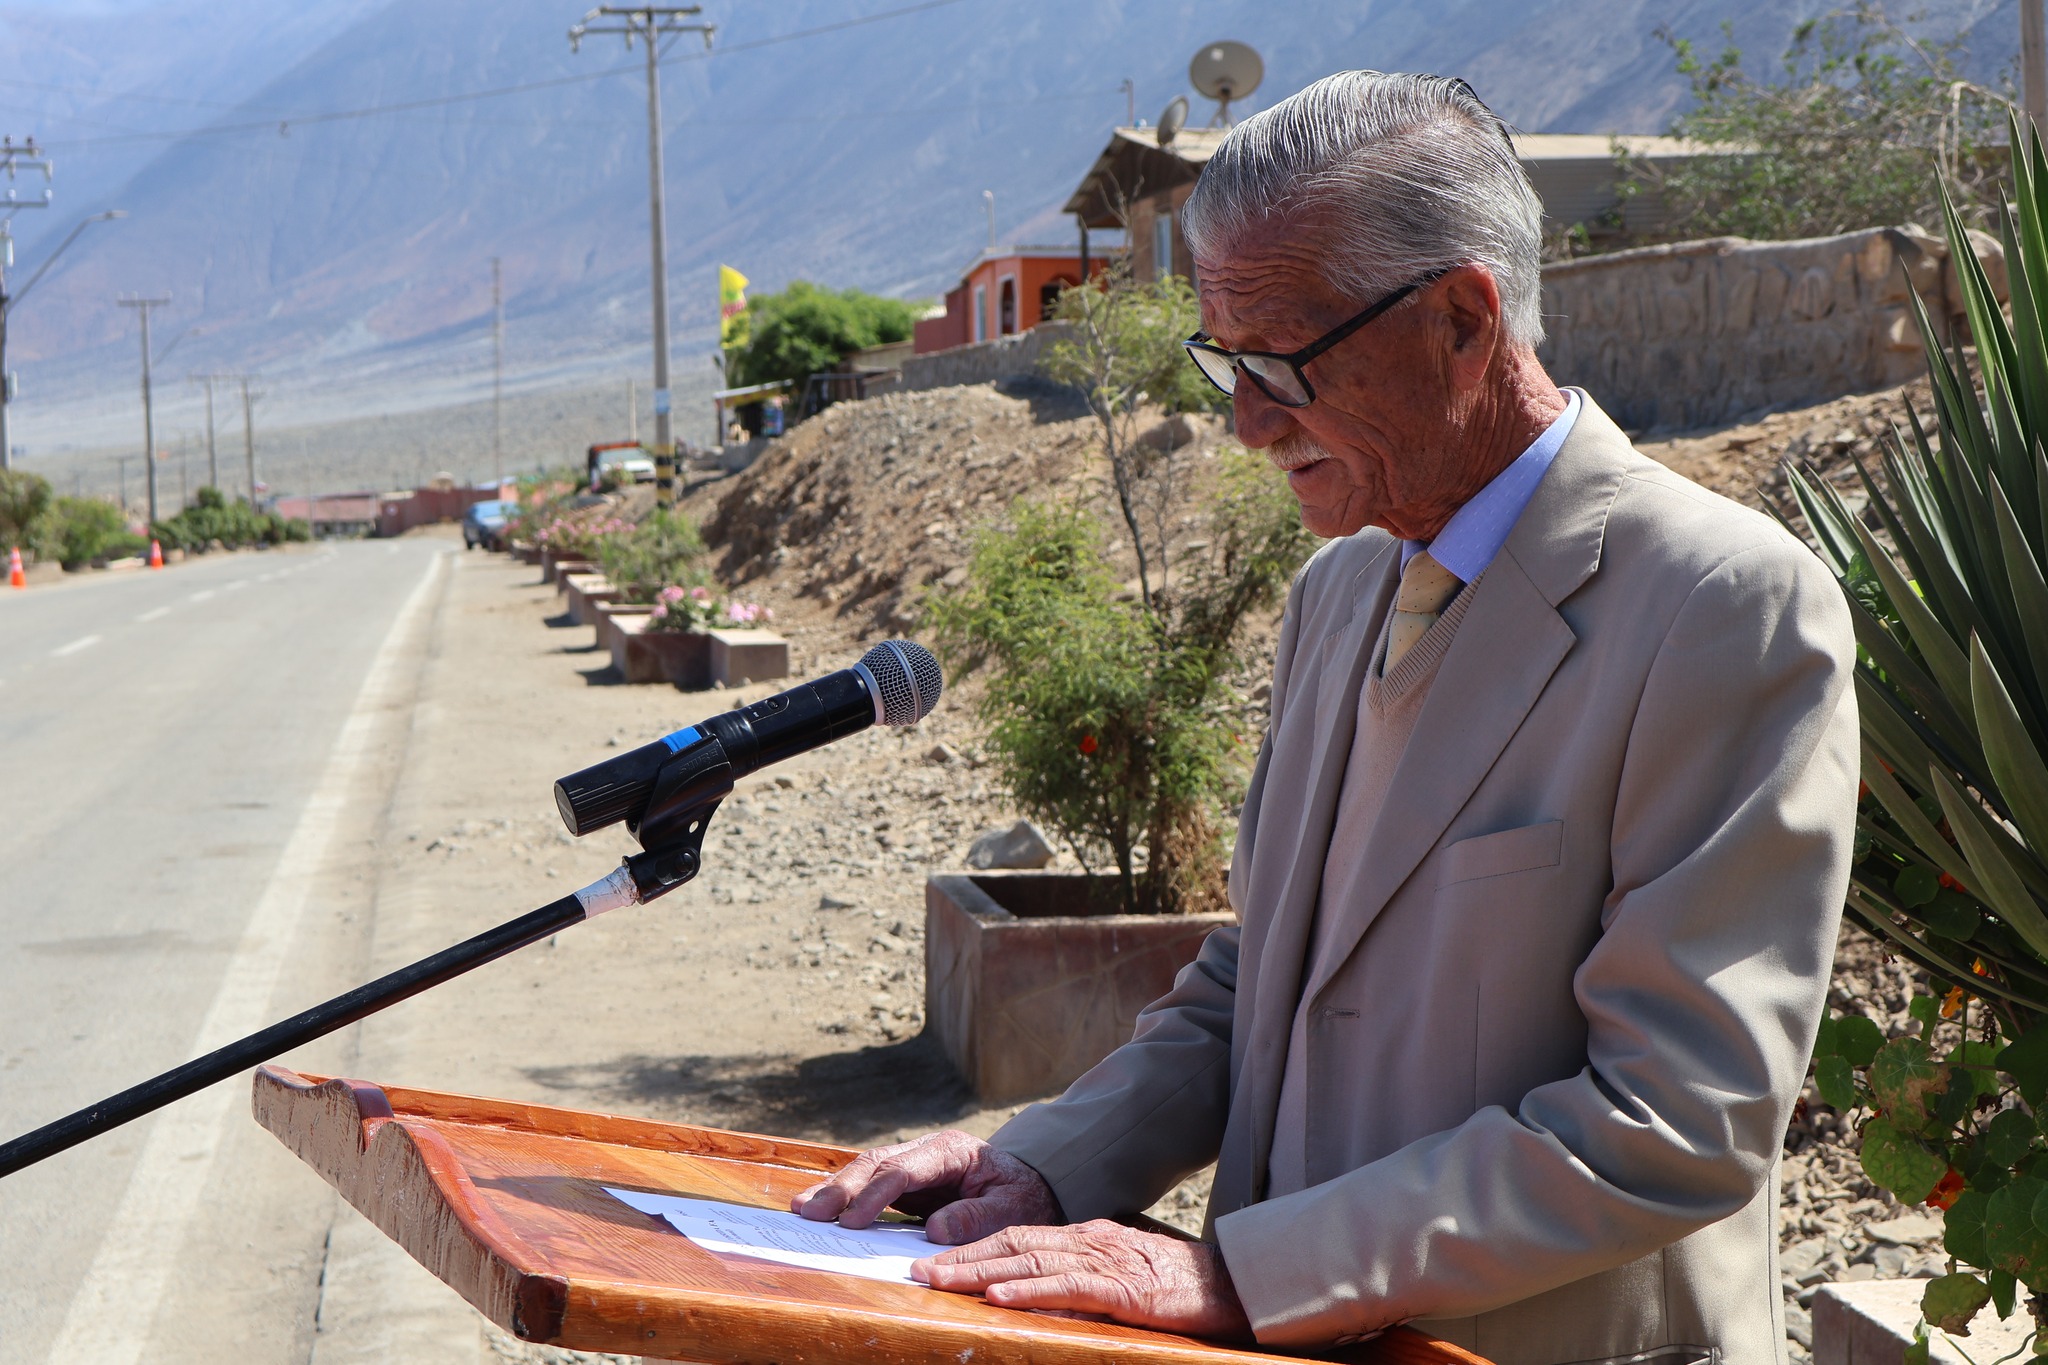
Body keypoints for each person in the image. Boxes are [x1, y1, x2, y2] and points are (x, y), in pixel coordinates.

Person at [796, 72, 1856, 1364]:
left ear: (1463, 320)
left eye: (1284, 363)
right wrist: (1043, 1165)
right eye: (1225, 362)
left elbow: (1677, 1117)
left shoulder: (1722, 607)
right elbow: (1260, 983)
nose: (1247, 423)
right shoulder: (1341, 591)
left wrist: (1249, 1274)